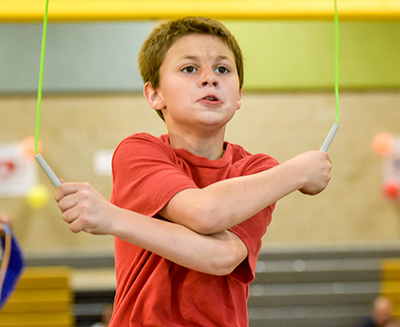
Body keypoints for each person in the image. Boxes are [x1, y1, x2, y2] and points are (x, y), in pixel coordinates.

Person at [54, 17, 332, 326]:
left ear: (239, 94)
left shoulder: (258, 170)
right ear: (154, 94)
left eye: (223, 69)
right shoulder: (138, 152)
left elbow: (221, 255)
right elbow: (206, 214)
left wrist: (113, 218)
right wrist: (298, 172)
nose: (209, 78)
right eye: (189, 69)